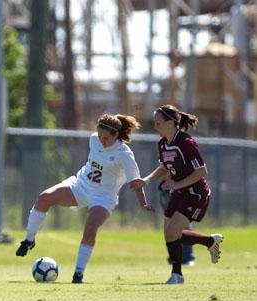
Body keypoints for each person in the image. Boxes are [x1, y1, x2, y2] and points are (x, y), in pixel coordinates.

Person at [16, 114, 154, 284]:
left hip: (104, 197)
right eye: (100, 135)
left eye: (107, 138)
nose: (102, 141)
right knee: (44, 198)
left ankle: (78, 274)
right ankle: (29, 239)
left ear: (116, 135)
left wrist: (143, 203)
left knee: (90, 227)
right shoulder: (94, 139)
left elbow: (135, 182)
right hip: (80, 186)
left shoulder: (124, 154)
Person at [131, 104, 223, 284]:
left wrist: (177, 183)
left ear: (171, 123)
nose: (155, 126)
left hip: (195, 194)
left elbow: (202, 171)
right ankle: (209, 242)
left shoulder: (186, 143)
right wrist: (147, 180)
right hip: (179, 193)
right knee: (170, 234)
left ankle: (177, 275)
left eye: (158, 123)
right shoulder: (163, 144)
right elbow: (165, 167)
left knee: (173, 233)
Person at [158, 178, 195, 266]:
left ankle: (188, 257)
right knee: (169, 227)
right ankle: (174, 258)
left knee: (185, 224)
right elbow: (163, 172)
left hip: (184, 190)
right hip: (167, 190)